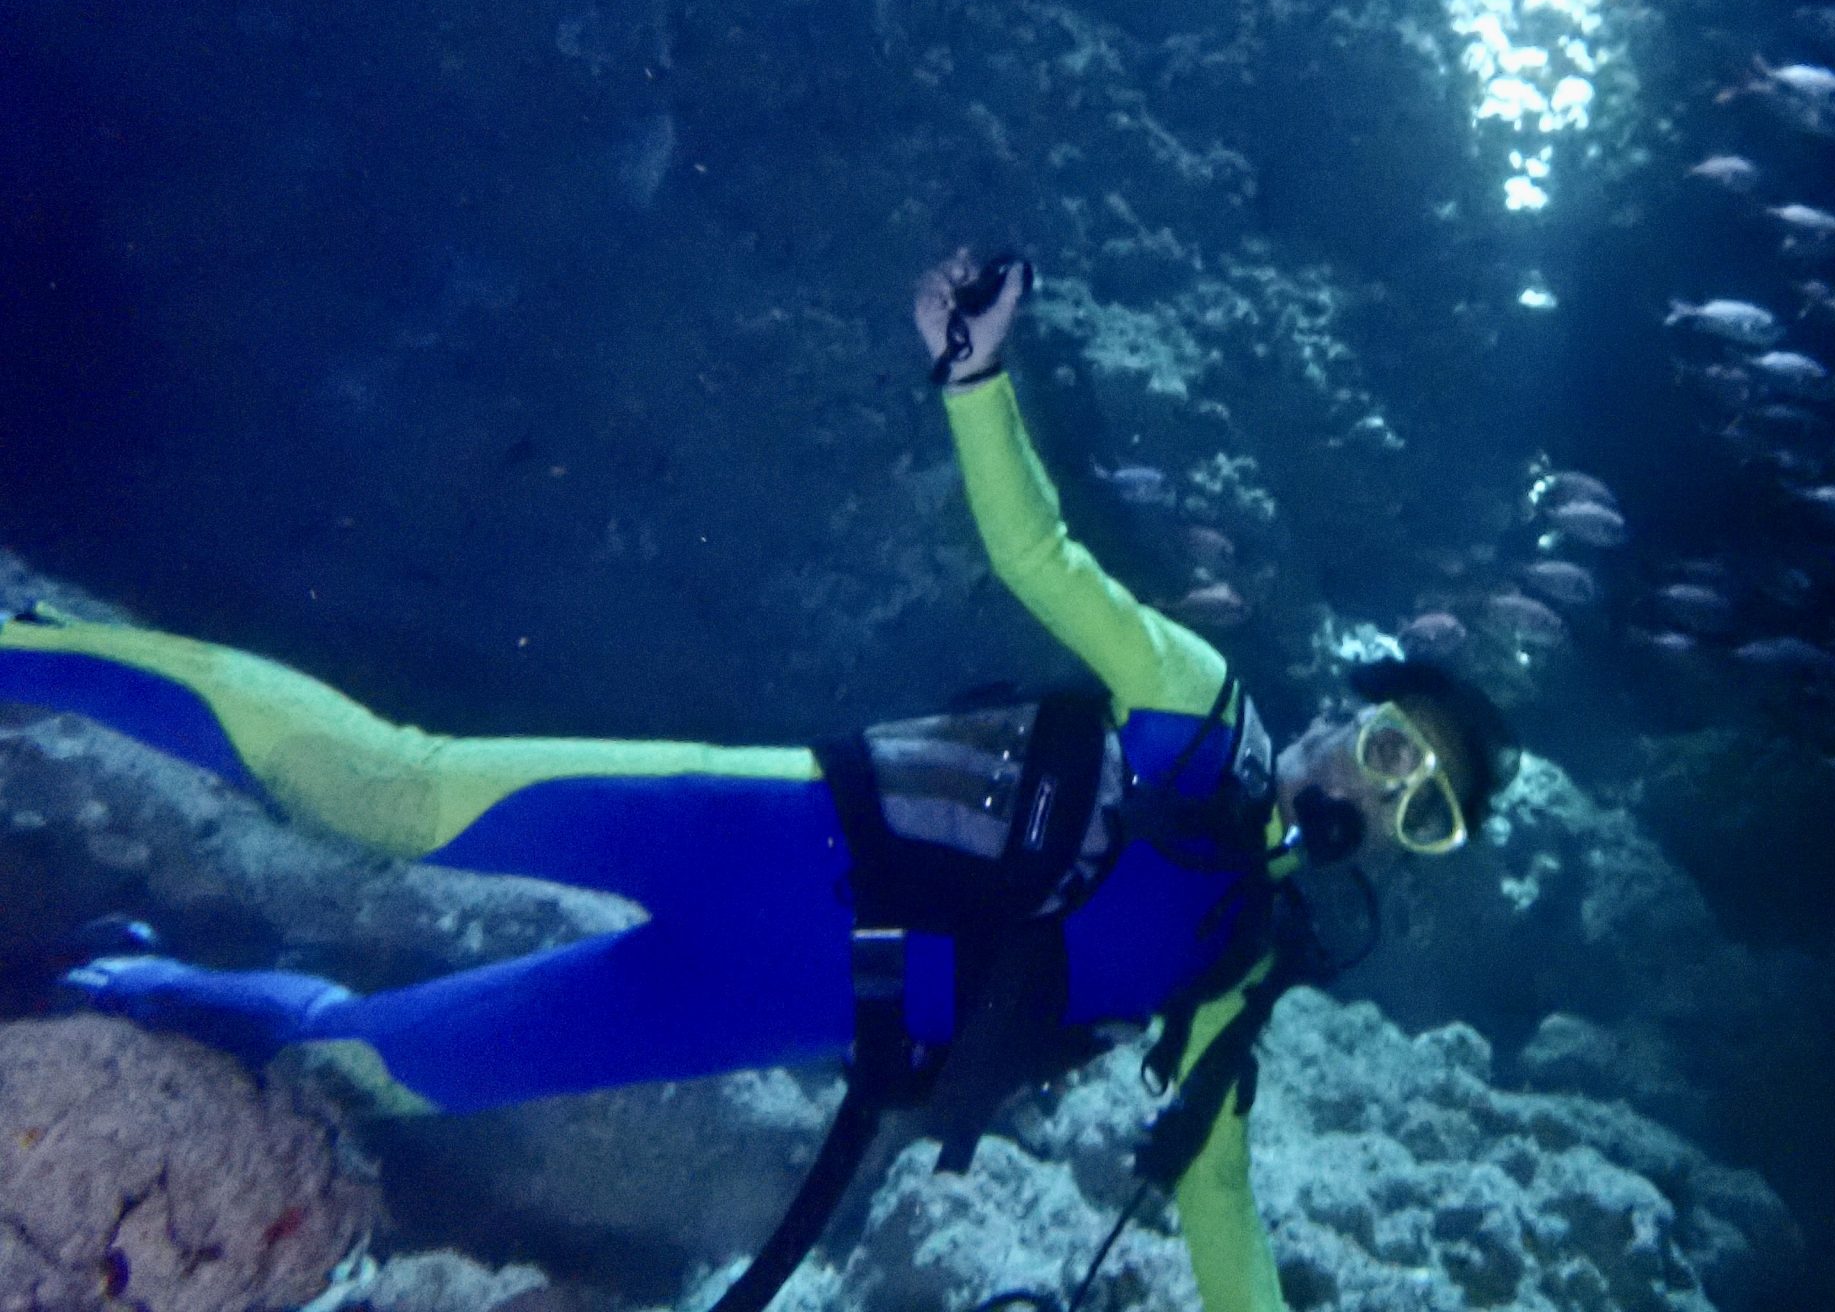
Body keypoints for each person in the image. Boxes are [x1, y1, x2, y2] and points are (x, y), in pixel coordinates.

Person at [0, 250, 1514, 1312]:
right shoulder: (1201, 708)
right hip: (751, 831)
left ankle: (124, 986)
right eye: (1393, 748)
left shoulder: (1237, 967)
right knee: (383, 788)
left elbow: (1217, 1204)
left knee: (367, 1071)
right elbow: (1040, 558)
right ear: (1351, 709)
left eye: (1424, 811)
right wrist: (977, 381)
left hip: (741, 1008)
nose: (1383, 794)